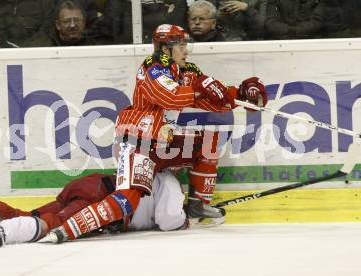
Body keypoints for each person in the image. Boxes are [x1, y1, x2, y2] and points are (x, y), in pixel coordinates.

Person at [44, 24, 267, 243]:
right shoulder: (153, 66)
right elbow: (169, 97)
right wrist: (201, 87)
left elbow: (214, 100)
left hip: (162, 142)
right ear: (165, 48)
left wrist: (242, 95)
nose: (186, 50)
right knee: (127, 200)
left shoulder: (187, 71)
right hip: (136, 141)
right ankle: (67, 230)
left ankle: (199, 205)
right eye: (180, 46)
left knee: (209, 143)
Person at [0, 170, 187, 247]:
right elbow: (168, 219)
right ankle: (3, 232)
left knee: (33, 214)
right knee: (52, 222)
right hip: (99, 196)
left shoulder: (148, 171)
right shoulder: (170, 181)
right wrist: (186, 219)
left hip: (90, 184)